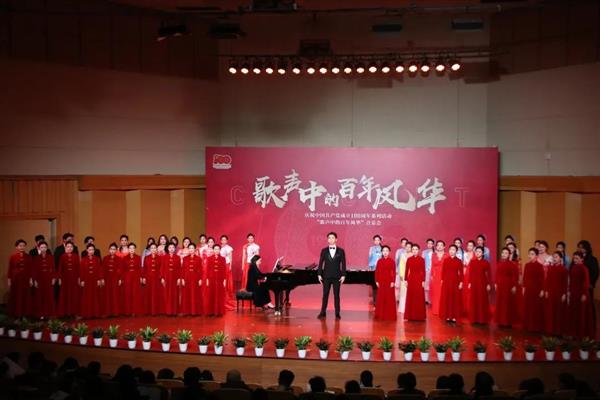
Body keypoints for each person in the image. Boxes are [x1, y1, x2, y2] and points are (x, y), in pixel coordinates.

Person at [317, 232, 347, 320]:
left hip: (337, 276)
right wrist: (319, 274)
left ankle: (337, 313)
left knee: (336, 295)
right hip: (326, 276)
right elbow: (320, 263)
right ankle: (322, 312)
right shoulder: (324, 250)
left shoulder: (341, 251)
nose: (331, 239)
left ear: (336, 239)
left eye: (333, 238)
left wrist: (343, 275)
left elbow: (343, 264)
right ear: (327, 240)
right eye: (329, 238)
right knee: (325, 294)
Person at [569, 251, 594, 338]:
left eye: (577, 258)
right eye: (574, 258)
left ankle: (581, 333)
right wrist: (569, 291)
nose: (575, 260)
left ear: (582, 259)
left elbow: (586, 282)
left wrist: (584, 294)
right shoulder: (573, 267)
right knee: (574, 313)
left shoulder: (584, 268)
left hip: (582, 293)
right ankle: (574, 332)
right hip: (574, 292)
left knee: (581, 314)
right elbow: (571, 281)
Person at [544, 251, 568, 335]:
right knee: (550, 311)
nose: (554, 258)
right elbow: (547, 280)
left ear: (560, 258)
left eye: (556, 257)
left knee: (558, 312)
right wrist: (546, 290)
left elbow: (565, 283)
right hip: (551, 292)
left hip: (559, 292)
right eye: (553, 257)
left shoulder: (564, 269)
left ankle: (559, 331)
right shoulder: (550, 268)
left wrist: (564, 293)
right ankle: (550, 330)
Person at [7, 239, 33, 317]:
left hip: (26, 278)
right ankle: (16, 313)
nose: (22, 247)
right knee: (16, 295)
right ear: (16, 247)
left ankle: (25, 313)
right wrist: (9, 280)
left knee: (25, 295)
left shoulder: (29, 257)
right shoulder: (12, 257)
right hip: (16, 279)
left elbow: (31, 269)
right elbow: (10, 269)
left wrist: (31, 279)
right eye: (20, 246)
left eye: (23, 246)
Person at [495, 247, 520, 327]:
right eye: (503, 253)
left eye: (506, 253)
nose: (504, 254)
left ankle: (508, 322)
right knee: (500, 303)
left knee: (508, 304)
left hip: (508, 286)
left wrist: (514, 286)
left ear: (509, 254)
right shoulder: (499, 263)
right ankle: (500, 321)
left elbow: (515, 276)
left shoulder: (512, 265)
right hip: (500, 285)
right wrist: (496, 283)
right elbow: (497, 274)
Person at [577, 240, 598, 331]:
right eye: (579, 247)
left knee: (588, 304)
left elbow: (595, 272)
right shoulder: (577, 258)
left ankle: (589, 323)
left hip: (588, 285)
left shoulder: (592, 259)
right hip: (578, 286)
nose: (580, 249)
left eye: (582, 247)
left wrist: (591, 284)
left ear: (587, 248)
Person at [522, 247, 545, 332]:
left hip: (536, 289)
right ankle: (528, 325)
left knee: (535, 307)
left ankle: (535, 326)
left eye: (532, 254)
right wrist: (523, 287)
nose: (530, 256)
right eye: (529, 254)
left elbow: (542, 279)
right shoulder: (527, 265)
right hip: (528, 288)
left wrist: (542, 290)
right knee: (528, 307)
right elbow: (525, 277)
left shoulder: (540, 266)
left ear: (536, 256)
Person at [439, 244, 463, 324]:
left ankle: (454, 316)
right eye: (450, 249)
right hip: (446, 281)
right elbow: (443, 271)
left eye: (453, 250)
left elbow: (461, 273)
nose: (451, 251)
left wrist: (461, 282)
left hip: (455, 281)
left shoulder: (459, 261)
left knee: (455, 298)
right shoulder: (446, 260)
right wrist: (442, 280)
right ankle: (447, 316)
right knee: (447, 298)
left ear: (456, 251)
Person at [31, 241, 56, 318]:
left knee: (49, 296)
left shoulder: (51, 257)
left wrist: (54, 278)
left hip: (49, 279)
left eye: (45, 247)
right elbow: (34, 270)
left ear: (47, 248)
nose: (43, 249)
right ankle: (40, 314)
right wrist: (34, 280)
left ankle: (49, 313)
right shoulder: (36, 258)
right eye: (41, 247)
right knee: (40, 297)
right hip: (39, 279)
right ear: (38, 248)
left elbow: (53, 268)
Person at [468, 246, 492, 324]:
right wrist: (469, 283)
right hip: (474, 283)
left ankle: (482, 319)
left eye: (479, 252)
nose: (478, 253)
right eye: (476, 251)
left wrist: (488, 284)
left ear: (482, 253)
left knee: (482, 300)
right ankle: (474, 318)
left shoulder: (486, 262)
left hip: (482, 283)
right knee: (474, 300)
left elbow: (489, 274)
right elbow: (470, 273)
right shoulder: (472, 262)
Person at [79, 244, 103, 318]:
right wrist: (82, 280)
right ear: (87, 250)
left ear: (94, 250)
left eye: (92, 250)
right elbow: (81, 270)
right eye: (89, 250)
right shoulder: (83, 260)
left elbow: (99, 269)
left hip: (95, 280)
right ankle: (87, 314)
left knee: (95, 296)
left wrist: (99, 279)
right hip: (86, 280)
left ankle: (96, 313)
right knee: (87, 297)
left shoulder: (97, 259)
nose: (91, 251)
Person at [374, 245, 396, 321]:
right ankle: (380, 314)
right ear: (382, 252)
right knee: (381, 297)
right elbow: (377, 272)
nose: (385, 252)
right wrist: (376, 281)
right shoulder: (379, 261)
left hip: (389, 281)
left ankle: (389, 314)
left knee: (389, 298)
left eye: (386, 251)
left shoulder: (392, 261)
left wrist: (393, 281)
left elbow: (393, 272)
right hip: (381, 281)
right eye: (383, 251)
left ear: (389, 252)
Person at [180, 243, 203, 315]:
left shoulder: (199, 258)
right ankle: (186, 311)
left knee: (195, 294)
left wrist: (200, 279)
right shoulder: (185, 258)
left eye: (192, 248)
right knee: (187, 294)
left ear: (195, 249)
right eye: (189, 248)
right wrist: (182, 279)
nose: (191, 249)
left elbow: (200, 269)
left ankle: (195, 311)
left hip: (195, 278)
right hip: (186, 278)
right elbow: (183, 269)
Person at [404, 244, 426, 321]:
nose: (414, 251)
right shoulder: (409, 259)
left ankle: (419, 316)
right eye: (413, 249)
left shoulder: (422, 259)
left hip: (419, 279)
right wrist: (405, 280)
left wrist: (423, 280)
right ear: (411, 250)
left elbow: (423, 271)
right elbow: (406, 270)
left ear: (418, 250)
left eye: (416, 249)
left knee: (418, 297)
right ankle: (409, 316)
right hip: (411, 279)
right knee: (411, 296)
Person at [204, 243, 227, 316]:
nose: (216, 250)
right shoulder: (209, 258)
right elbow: (207, 269)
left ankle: (219, 311)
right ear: (213, 250)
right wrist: (207, 279)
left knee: (219, 295)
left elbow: (224, 269)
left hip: (220, 278)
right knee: (211, 294)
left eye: (218, 249)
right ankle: (211, 311)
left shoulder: (223, 259)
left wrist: (224, 280)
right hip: (211, 278)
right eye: (215, 249)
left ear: (220, 250)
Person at [142, 243, 163, 315]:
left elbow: (161, 268)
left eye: (154, 248)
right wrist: (144, 277)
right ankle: (148, 311)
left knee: (156, 294)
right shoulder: (146, 258)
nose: (153, 249)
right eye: (152, 248)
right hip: (148, 278)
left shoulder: (160, 258)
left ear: (156, 249)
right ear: (150, 249)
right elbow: (144, 268)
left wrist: (160, 277)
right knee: (148, 294)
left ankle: (156, 311)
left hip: (157, 278)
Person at [121, 243, 143, 316]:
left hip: (136, 277)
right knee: (128, 293)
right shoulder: (125, 258)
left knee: (135, 294)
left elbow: (140, 268)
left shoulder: (138, 257)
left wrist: (141, 277)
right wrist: (122, 278)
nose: (131, 249)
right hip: (127, 277)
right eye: (130, 248)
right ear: (128, 249)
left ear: (135, 249)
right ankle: (128, 311)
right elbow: (123, 269)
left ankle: (135, 311)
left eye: (133, 248)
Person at [161, 243, 181, 316]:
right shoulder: (164, 257)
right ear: (167, 248)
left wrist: (179, 278)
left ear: (175, 249)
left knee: (174, 294)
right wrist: (162, 278)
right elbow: (162, 268)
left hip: (175, 278)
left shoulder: (177, 257)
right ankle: (168, 312)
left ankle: (175, 312)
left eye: (173, 247)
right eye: (170, 247)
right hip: (166, 277)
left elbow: (179, 269)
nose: (171, 249)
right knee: (167, 294)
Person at [102, 243, 122, 316]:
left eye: (114, 249)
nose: (112, 251)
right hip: (107, 278)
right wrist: (102, 278)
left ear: (116, 250)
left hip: (115, 279)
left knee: (115, 295)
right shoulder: (105, 258)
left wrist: (120, 279)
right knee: (107, 295)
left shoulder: (119, 259)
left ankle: (115, 312)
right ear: (109, 250)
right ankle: (107, 312)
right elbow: (102, 269)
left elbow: (120, 270)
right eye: (111, 249)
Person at [430, 240, 447, 315]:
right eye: (438, 245)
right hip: (436, 276)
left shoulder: (447, 255)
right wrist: (431, 275)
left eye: (441, 245)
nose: (439, 246)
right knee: (436, 293)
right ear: (436, 247)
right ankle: (436, 310)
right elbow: (432, 266)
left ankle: (443, 310)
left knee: (443, 292)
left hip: (444, 275)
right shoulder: (433, 255)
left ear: (444, 246)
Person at [219, 235, 235, 308]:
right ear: (220, 241)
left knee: (226, 278)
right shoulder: (218, 247)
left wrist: (230, 266)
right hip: (220, 264)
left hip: (227, 264)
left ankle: (227, 292)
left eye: (225, 240)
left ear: (227, 241)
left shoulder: (229, 248)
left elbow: (230, 258)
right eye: (222, 240)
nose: (223, 241)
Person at [422, 238, 434, 304]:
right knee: (426, 285)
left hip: (433, 271)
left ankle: (431, 299)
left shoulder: (435, 252)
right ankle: (426, 299)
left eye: (431, 243)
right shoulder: (424, 252)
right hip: (426, 270)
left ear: (433, 244)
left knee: (432, 285)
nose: (429, 245)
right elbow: (422, 261)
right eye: (428, 243)